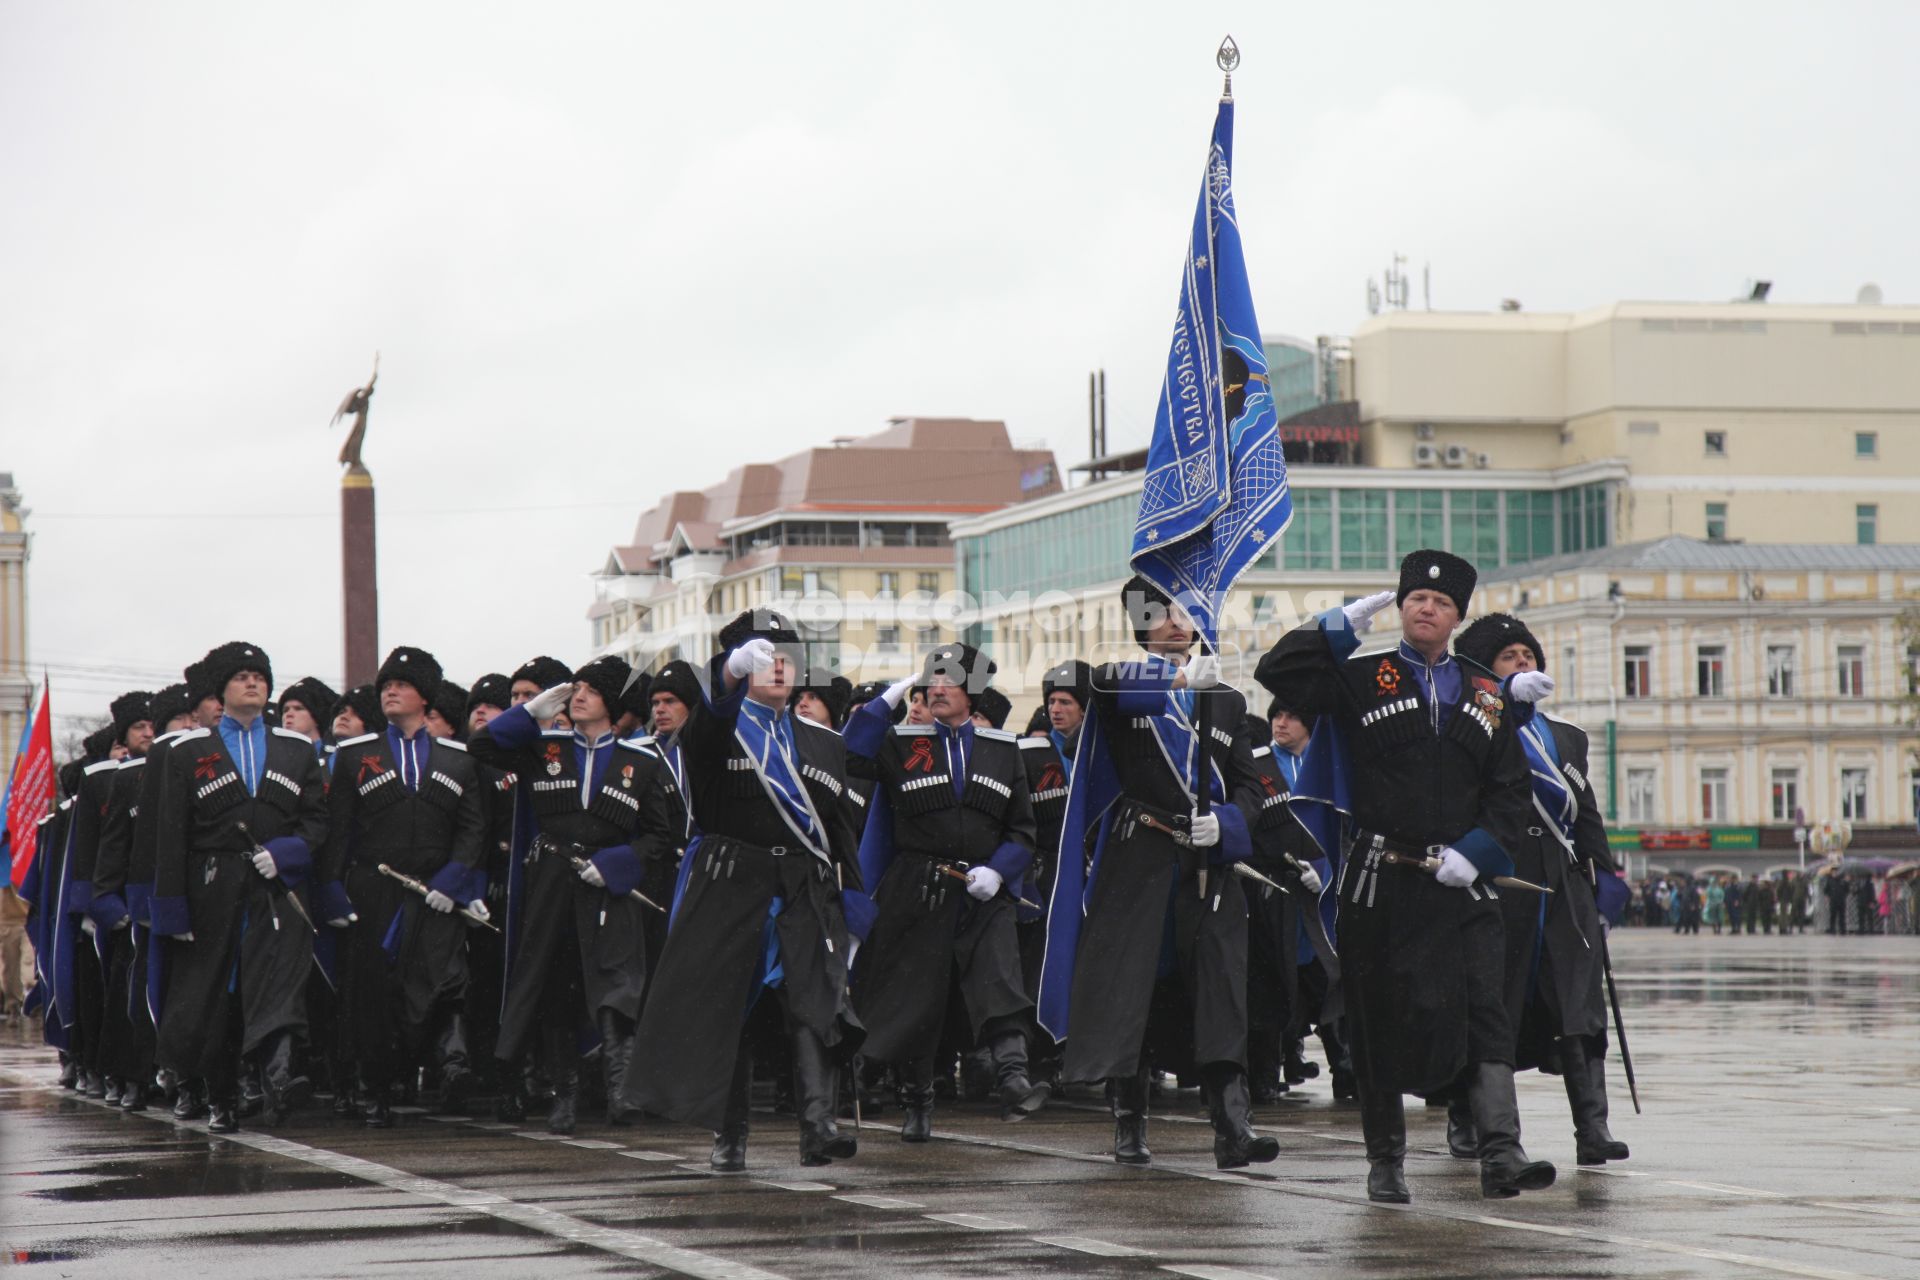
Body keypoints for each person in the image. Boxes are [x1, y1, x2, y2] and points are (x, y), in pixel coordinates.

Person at [1255, 550, 1554, 1203]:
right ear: (1401, 605)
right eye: (1416, 597)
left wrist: (1477, 851)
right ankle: (1386, 1160)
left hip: (1461, 880)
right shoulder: (1363, 676)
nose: (1427, 607)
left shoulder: (1485, 693)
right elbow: (1276, 671)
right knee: (1379, 1018)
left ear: (1457, 618)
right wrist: (1338, 626)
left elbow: (1508, 792)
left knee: (1485, 1011)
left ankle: (1502, 1151)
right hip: (1382, 878)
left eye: (1441, 603)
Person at [1040, 576, 1278, 1172]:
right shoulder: (1121, 681)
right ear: (1140, 624)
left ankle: (1233, 1126)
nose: (1176, 621)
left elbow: (1251, 787)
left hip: (1206, 861)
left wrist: (1225, 822)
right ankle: (1129, 1118)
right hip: (1139, 857)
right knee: (1134, 990)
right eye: (1162, 612)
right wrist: (1176, 679)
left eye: (1185, 611)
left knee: (1221, 988)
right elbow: (1104, 684)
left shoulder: (1225, 700)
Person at [628, 610, 872, 1171]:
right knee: (728, 1011)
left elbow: (838, 831)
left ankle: (819, 1126)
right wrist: (731, 675)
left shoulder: (822, 742)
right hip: (732, 882)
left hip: (804, 885)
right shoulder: (713, 730)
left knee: (815, 1003)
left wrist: (854, 908)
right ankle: (730, 1132)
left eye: (788, 658)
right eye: (766, 659)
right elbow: (709, 727)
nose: (780, 669)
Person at [844, 643, 1047, 1141]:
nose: (935, 689)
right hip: (920, 887)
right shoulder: (901, 743)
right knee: (919, 1000)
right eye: (930, 681)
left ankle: (1015, 1080)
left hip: (983, 890)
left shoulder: (1003, 751)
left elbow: (1022, 831)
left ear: (971, 693)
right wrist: (887, 699)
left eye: (948, 682)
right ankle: (917, 1099)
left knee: (999, 979)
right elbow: (848, 753)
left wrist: (999, 873)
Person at [1456, 613, 1629, 1167]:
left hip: (1563, 886)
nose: (1523, 664)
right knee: (1491, 1006)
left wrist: (1606, 882)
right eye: (1509, 658)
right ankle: (1477, 1125)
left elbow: (1587, 817)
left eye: (1528, 656)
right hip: (1501, 879)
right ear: (1486, 672)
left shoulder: (1568, 738)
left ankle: (1593, 1129)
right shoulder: (1473, 726)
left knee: (1578, 1006)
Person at [469, 654, 654, 1134]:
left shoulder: (642, 761)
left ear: (612, 703)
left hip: (608, 886)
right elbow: (483, 745)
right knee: (556, 989)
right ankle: (565, 1096)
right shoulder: (543, 747)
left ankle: (620, 1091)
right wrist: (529, 713)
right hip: (553, 880)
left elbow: (660, 836)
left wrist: (615, 866)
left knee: (618, 988)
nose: (580, 695)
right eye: (579, 687)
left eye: (592, 690)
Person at [151, 642, 329, 1133]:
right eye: (241, 676)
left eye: (260, 676)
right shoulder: (187, 751)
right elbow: (171, 834)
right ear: (221, 689)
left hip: (276, 886)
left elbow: (317, 820)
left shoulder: (297, 748)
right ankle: (220, 1094)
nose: (253, 683)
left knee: (277, 981)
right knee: (218, 993)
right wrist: (172, 910)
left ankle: (278, 1075)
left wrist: (288, 854)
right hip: (211, 885)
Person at [318, 647, 488, 1127]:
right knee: (373, 994)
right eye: (386, 684)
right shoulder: (355, 755)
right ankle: (376, 1089)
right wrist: (332, 890)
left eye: (402, 684)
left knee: (438, 986)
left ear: (424, 696)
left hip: (436, 893)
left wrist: (452, 883)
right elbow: (339, 832)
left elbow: (471, 829)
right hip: (375, 889)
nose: (390, 690)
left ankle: (446, 1067)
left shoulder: (459, 759)